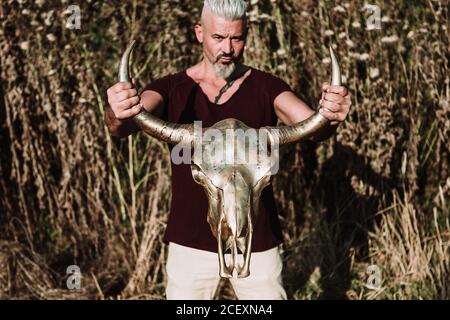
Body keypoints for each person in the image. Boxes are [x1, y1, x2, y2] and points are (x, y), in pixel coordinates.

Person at [106, 0, 351, 300]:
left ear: (247, 34)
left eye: (237, 38)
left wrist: (330, 112)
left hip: (257, 239)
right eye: (218, 38)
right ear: (200, 33)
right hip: (189, 242)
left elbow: (315, 128)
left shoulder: (267, 86)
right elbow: (123, 125)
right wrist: (119, 109)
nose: (228, 49)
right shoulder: (171, 88)